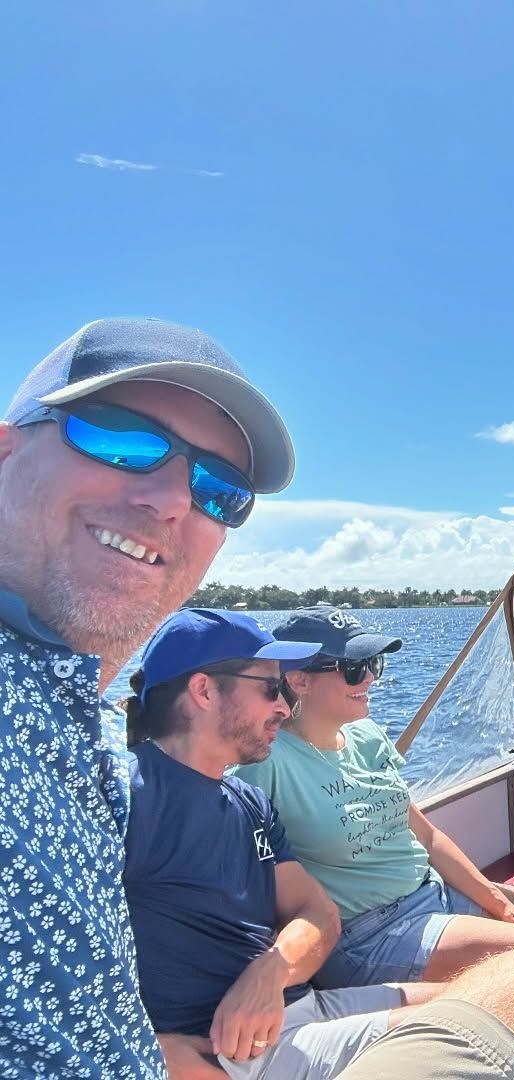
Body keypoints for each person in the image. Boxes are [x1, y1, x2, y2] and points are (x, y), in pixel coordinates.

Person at [124, 607, 514, 1080]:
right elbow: (75, 957)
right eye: (270, 688)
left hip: (302, 1004)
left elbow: (319, 915)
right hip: (242, 1052)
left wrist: (269, 972)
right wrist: (148, 1048)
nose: (283, 706)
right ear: (204, 691)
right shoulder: (130, 800)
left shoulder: (245, 801)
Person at [0, 317, 295, 1076]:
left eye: (219, 490)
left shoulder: (92, 739)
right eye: (121, 440)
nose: (171, 501)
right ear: (5, 453)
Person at [235, 604, 514, 1080]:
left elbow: (425, 835)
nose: (369, 677)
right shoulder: (267, 765)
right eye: (353, 668)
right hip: (369, 936)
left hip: (432, 896)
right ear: (299, 680)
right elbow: (250, 877)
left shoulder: (365, 736)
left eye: (373, 663)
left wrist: (495, 899)